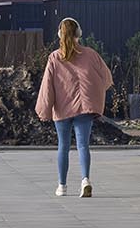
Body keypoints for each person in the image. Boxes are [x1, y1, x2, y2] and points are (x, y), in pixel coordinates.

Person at [35, 17, 113, 198]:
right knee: (83, 145)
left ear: (59, 35)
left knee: (63, 146)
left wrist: (44, 109)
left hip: (62, 109)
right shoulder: (91, 54)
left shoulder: (54, 57)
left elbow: (47, 86)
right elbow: (107, 78)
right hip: (85, 108)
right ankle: (85, 180)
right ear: (79, 33)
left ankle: (62, 186)